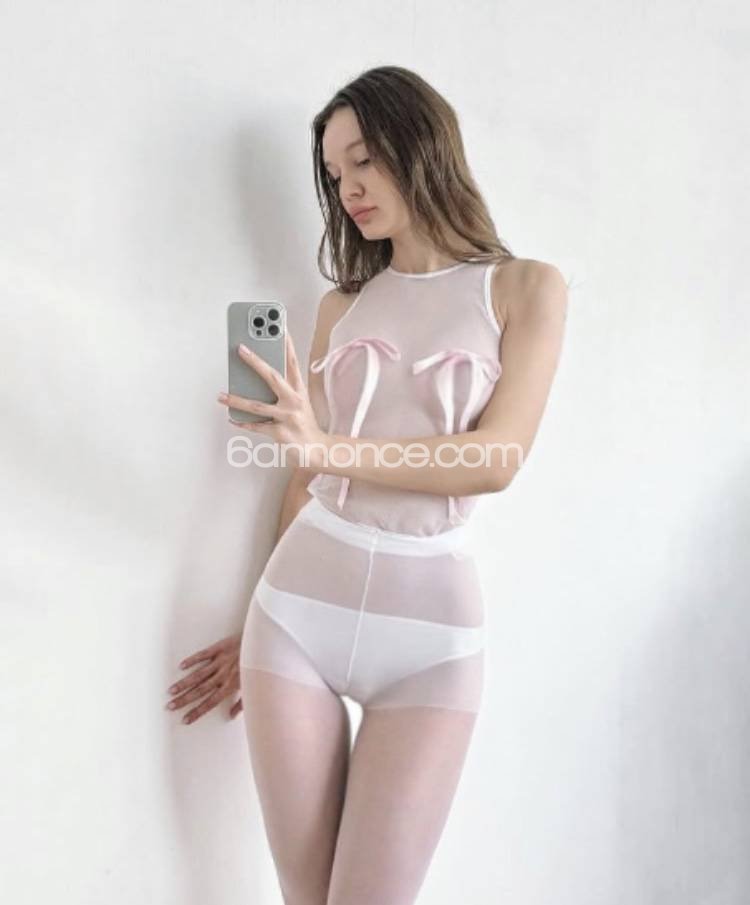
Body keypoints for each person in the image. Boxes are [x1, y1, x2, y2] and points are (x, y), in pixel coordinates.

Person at [166, 65, 568, 905]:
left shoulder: (525, 287)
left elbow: (496, 458)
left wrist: (329, 446)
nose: (347, 188)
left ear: (421, 147)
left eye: (363, 161)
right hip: (294, 620)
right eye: (333, 172)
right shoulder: (339, 306)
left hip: (431, 643)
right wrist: (252, 614)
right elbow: (304, 477)